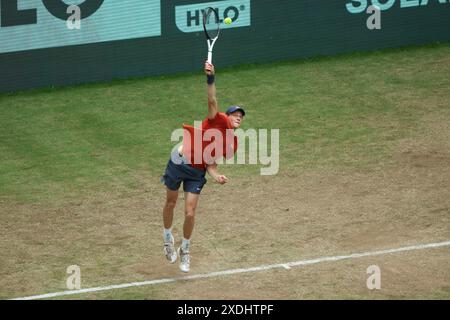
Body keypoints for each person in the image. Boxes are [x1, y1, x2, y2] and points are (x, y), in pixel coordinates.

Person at [161, 61, 246, 272]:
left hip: (197, 172)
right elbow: (212, 98)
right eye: (235, 114)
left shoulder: (232, 143)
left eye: (241, 116)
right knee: (170, 203)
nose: (238, 117)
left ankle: (185, 249)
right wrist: (210, 77)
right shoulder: (214, 119)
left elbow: (211, 163)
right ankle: (167, 238)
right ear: (226, 116)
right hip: (179, 161)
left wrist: (216, 176)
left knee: (190, 212)